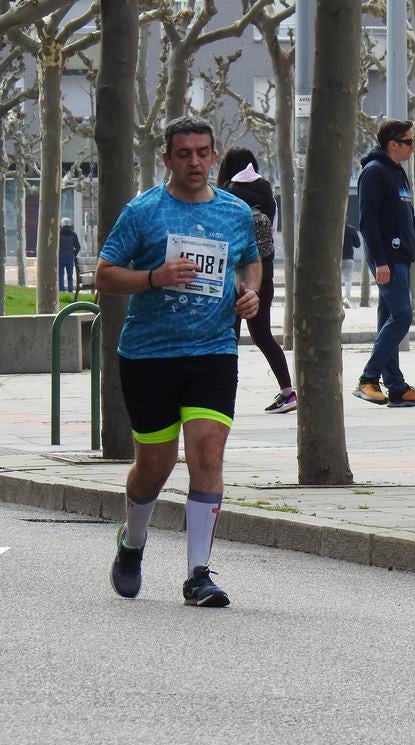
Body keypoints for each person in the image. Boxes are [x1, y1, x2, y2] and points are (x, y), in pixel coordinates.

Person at [95, 116, 262, 607]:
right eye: (183, 153)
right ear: (167, 159)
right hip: (149, 355)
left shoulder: (235, 212)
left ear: (214, 156)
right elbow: (104, 275)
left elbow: (249, 260)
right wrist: (154, 278)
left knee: (208, 454)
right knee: (154, 466)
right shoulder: (144, 212)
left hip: (212, 351)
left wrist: (248, 290)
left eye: (202, 152)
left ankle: (198, 574)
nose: (194, 162)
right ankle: (132, 543)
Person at [353, 119, 415, 407]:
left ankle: (397, 389)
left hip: (402, 257)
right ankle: (368, 379)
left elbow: (409, 218)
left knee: (388, 320)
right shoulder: (374, 173)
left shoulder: (398, 174)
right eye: (409, 141)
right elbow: (368, 222)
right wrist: (380, 261)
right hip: (387, 259)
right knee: (402, 315)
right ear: (393, 143)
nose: (413, 147)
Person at [216, 147, 296, 414]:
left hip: (233, 275)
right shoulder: (267, 194)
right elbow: (270, 236)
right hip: (264, 274)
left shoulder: (227, 194)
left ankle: (224, 396)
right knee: (262, 334)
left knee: (229, 336)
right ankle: (288, 391)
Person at [59, 218, 81, 293]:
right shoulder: (73, 234)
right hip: (70, 256)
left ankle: (61, 290)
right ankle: (70, 289)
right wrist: (73, 254)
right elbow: (78, 247)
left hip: (60, 256)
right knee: (70, 275)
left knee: (60, 275)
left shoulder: (58, 234)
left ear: (62, 224)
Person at [342, 220, 361, 308]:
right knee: (348, 280)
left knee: (338, 280)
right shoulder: (351, 230)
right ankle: (347, 299)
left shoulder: (337, 229)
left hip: (337, 259)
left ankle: (339, 299)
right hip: (349, 258)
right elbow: (358, 244)